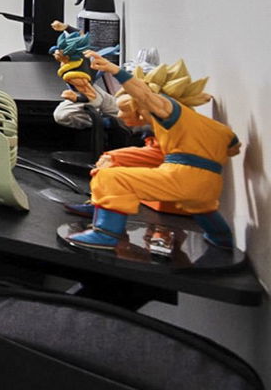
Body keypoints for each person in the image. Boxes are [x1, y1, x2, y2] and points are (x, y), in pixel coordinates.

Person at [66, 56, 239, 253]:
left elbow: (144, 95)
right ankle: (221, 238)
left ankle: (106, 234)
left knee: (111, 178)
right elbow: (233, 148)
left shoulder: (170, 110)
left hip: (183, 175)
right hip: (210, 183)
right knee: (201, 208)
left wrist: (115, 70)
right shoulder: (216, 128)